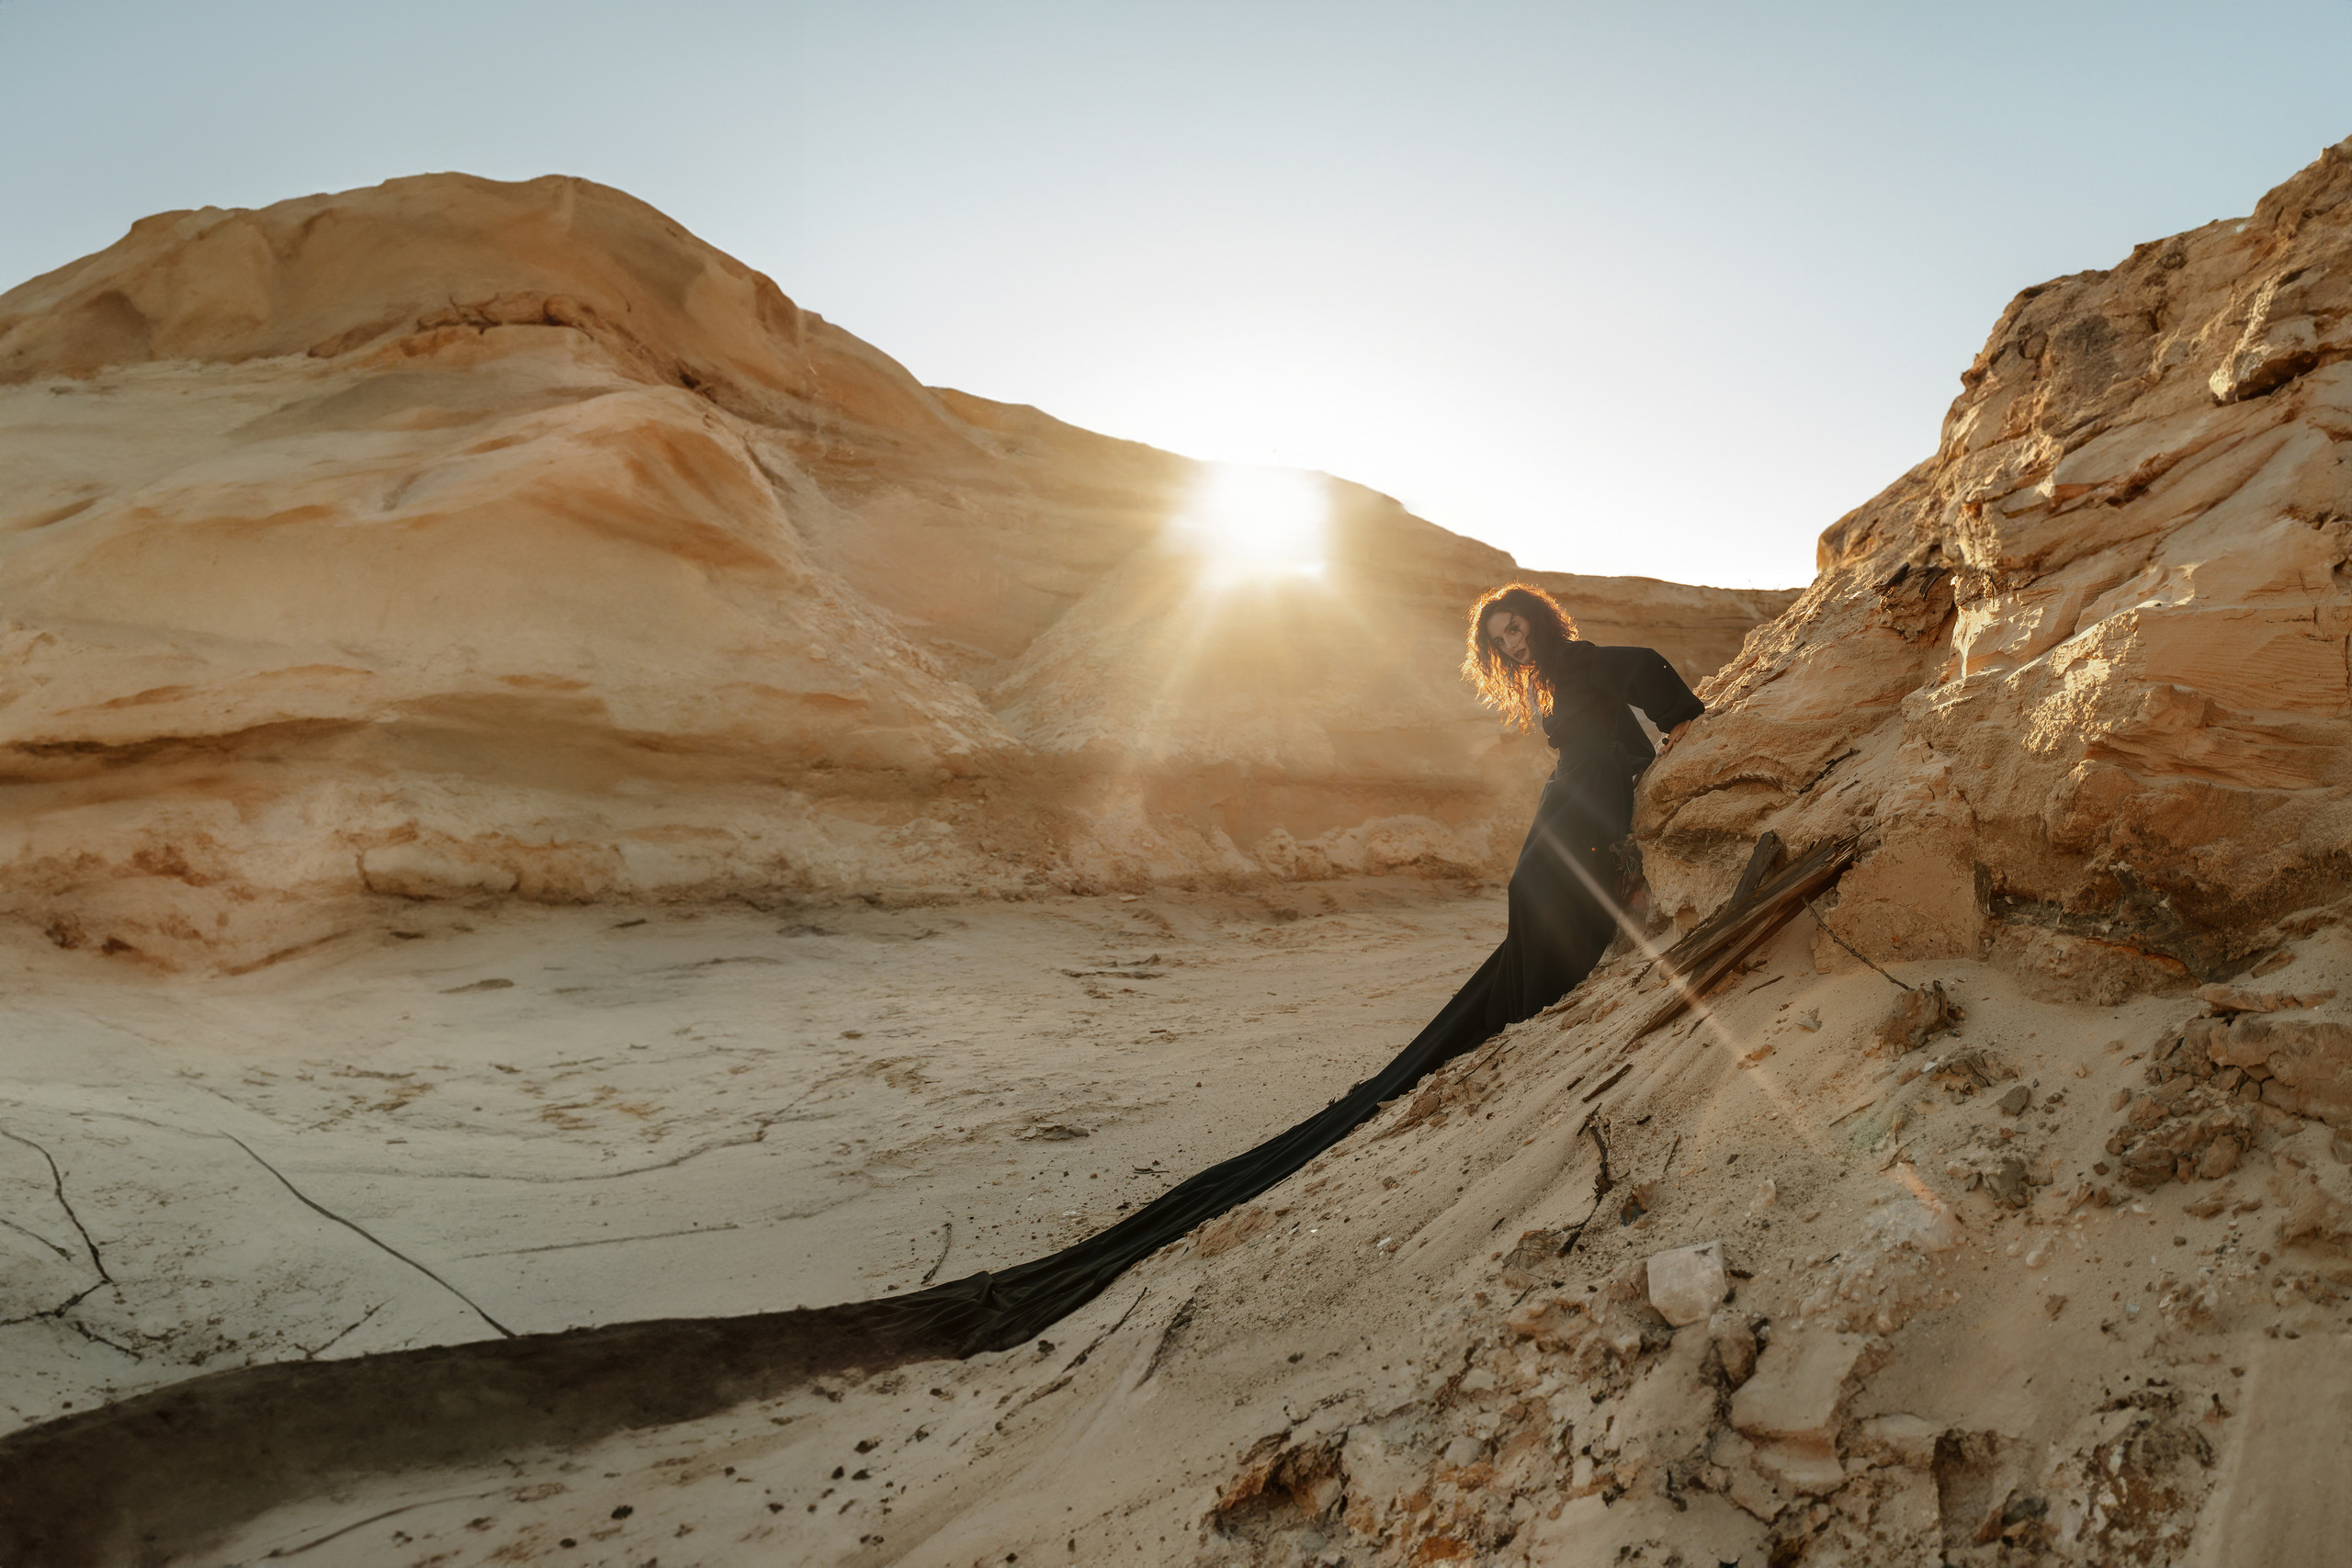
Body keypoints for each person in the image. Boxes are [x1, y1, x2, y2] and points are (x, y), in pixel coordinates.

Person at [1462, 583, 1704, 1028]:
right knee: (1527, 886)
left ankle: (1536, 999)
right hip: (1570, 782)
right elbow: (1607, 715)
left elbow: (1642, 663)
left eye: (1514, 628)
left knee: (1533, 885)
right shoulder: (1548, 672)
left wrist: (1678, 719)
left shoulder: (1570, 657)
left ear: (1535, 618)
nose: (1512, 644)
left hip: (1593, 782)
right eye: (1500, 640)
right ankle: (1529, 997)